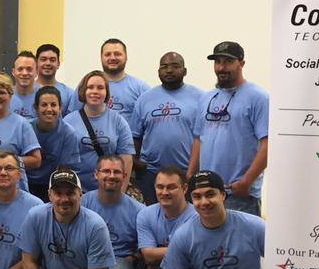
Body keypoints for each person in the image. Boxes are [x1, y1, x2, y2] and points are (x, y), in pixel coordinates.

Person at [187, 41, 269, 216]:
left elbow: (268, 144)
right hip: (206, 193)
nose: (221, 67)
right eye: (217, 62)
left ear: (241, 63)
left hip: (239, 195)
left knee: (239, 243)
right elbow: (198, 140)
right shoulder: (206, 98)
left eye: (228, 61)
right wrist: (190, 177)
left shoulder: (258, 98)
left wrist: (246, 182)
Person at [80, 155, 145, 269]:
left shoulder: (138, 210)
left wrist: (132, 259)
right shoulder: (83, 203)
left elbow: (144, 248)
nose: (111, 175)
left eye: (116, 172)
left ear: (125, 176)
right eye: (106, 171)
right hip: (86, 258)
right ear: (96, 174)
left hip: (120, 260)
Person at [132, 52, 202, 204]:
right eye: (164, 67)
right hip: (150, 173)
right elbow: (135, 137)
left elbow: (204, 137)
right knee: (152, 216)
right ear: (158, 72)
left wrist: (193, 170)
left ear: (185, 71)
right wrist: (136, 164)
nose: (169, 70)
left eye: (175, 66)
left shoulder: (200, 98)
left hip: (186, 173)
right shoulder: (145, 99)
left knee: (186, 219)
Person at [63, 70, 133, 191]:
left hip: (109, 190)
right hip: (77, 191)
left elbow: (126, 160)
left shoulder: (118, 121)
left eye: (100, 88)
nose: (95, 91)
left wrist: (120, 193)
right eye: (90, 87)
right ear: (83, 91)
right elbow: (63, 162)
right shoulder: (68, 121)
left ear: (106, 92)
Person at [25, 85, 81, 200]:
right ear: (36, 108)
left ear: (60, 108)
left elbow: (64, 171)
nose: (49, 109)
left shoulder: (68, 133)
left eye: (54, 105)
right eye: (44, 105)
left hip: (52, 185)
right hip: (24, 183)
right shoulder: (25, 128)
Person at [100, 38, 150, 129]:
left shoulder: (141, 88)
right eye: (107, 54)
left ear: (126, 57)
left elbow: (149, 121)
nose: (112, 58)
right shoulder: (88, 86)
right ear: (101, 58)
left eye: (117, 54)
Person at [34, 44, 76, 115]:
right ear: (36, 63)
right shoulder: (26, 90)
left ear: (58, 64)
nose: (48, 63)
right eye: (43, 59)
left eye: (52, 60)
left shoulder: (69, 94)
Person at [8, 51, 40, 121]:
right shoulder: (4, 96)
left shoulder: (43, 97)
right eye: (20, 69)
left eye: (29, 69)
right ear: (13, 72)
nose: (24, 73)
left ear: (37, 72)